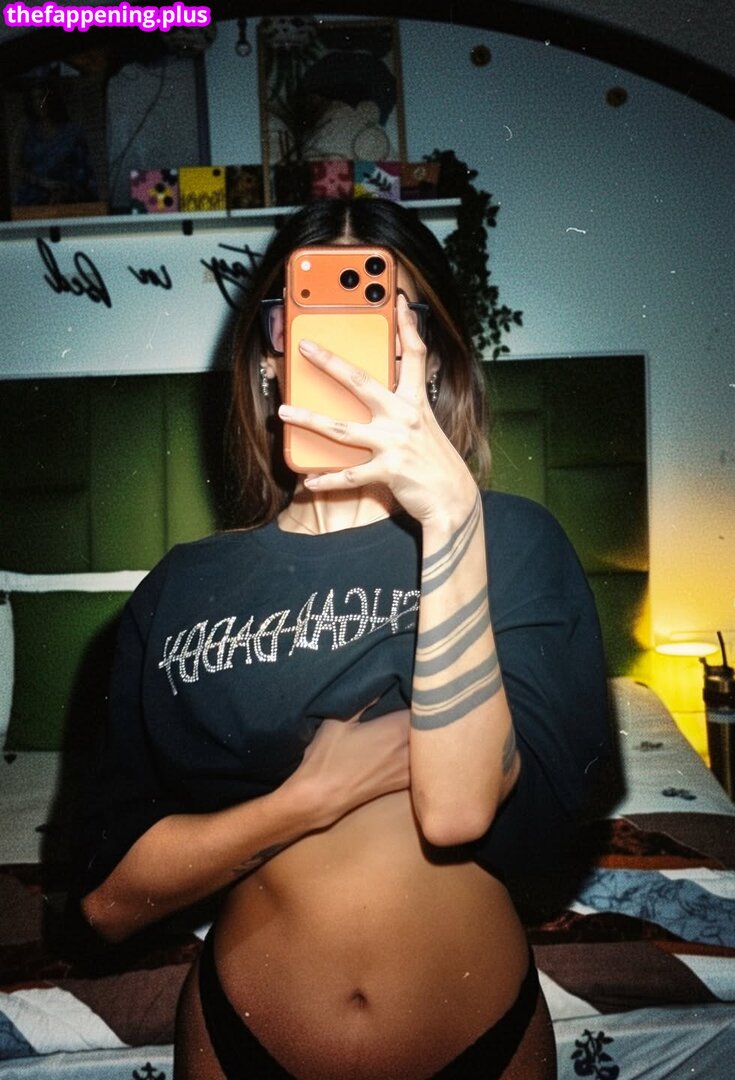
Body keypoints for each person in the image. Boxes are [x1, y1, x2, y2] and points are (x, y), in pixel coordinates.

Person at [75, 197, 612, 1079]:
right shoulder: (181, 586)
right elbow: (105, 903)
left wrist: (451, 516)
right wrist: (307, 799)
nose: (339, 347)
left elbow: (459, 809)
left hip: (482, 1042)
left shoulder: (511, 541)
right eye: (308, 308)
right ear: (270, 350)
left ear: (429, 358)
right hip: (237, 1038)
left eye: (381, 314)